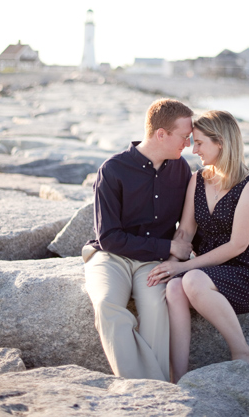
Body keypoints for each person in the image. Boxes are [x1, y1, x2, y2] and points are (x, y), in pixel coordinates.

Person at [147, 110, 249, 383]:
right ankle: (177, 376)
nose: (194, 150)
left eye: (200, 142)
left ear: (221, 142)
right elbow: (185, 232)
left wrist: (184, 266)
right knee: (173, 286)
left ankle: (242, 352)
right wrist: (169, 263)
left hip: (248, 273)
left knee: (190, 279)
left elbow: (237, 246)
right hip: (209, 272)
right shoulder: (199, 179)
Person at [82, 98, 194, 381]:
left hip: (152, 262)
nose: (189, 144)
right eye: (184, 136)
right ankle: (144, 389)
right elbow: (108, 237)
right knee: (107, 304)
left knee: (156, 309)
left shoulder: (181, 169)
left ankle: (153, 389)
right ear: (161, 134)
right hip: (110, 257)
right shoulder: (113, 170)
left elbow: (189, 224)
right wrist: (169, 246)